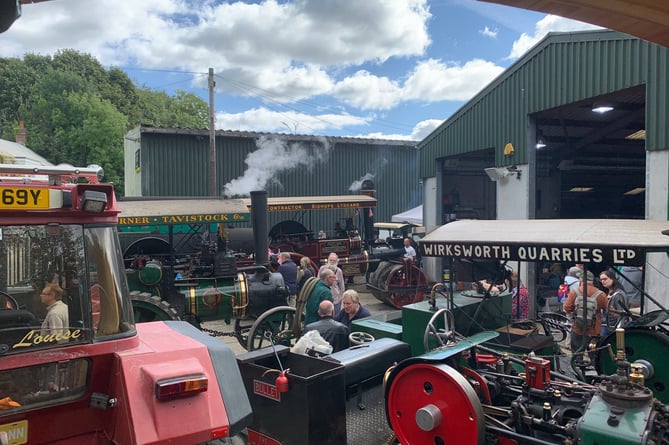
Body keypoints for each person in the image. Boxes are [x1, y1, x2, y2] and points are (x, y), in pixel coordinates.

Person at [563, 271, 607, 352]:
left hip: (578, 328)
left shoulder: (574, 292)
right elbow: (609, 311)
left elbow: (567, 308)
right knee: (594, 356)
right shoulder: (601, 294)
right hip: (594, 330)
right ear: (592, 281)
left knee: (577, 355)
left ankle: (578, 363)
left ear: (581, 280)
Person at [599, 269, 628, 334]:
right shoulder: (605, 293)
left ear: (612, 279)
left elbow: (621, 314)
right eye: (601, 280)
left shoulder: (619, 294)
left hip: (612, 326)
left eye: (605, 279)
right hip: (604, 324)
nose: (603, 281)